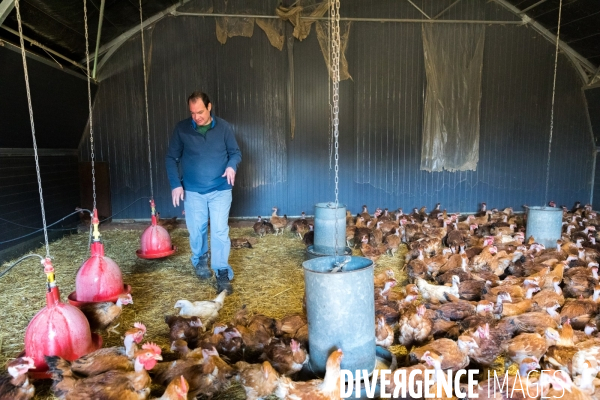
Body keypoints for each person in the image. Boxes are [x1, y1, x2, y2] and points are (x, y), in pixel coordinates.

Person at [165, 91, 241, 294]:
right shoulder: (182, 129)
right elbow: (171, 158)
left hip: (220, 189)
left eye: (200, 112)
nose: (196, 117)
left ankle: (222, 272)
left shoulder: (223, 127)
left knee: (219, 231)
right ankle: (200, 259)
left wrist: (232, 166)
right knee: (197, 229)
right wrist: (176, 184)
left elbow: (235, 152)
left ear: (209, 107)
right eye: (192, 113)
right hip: (193, 191)